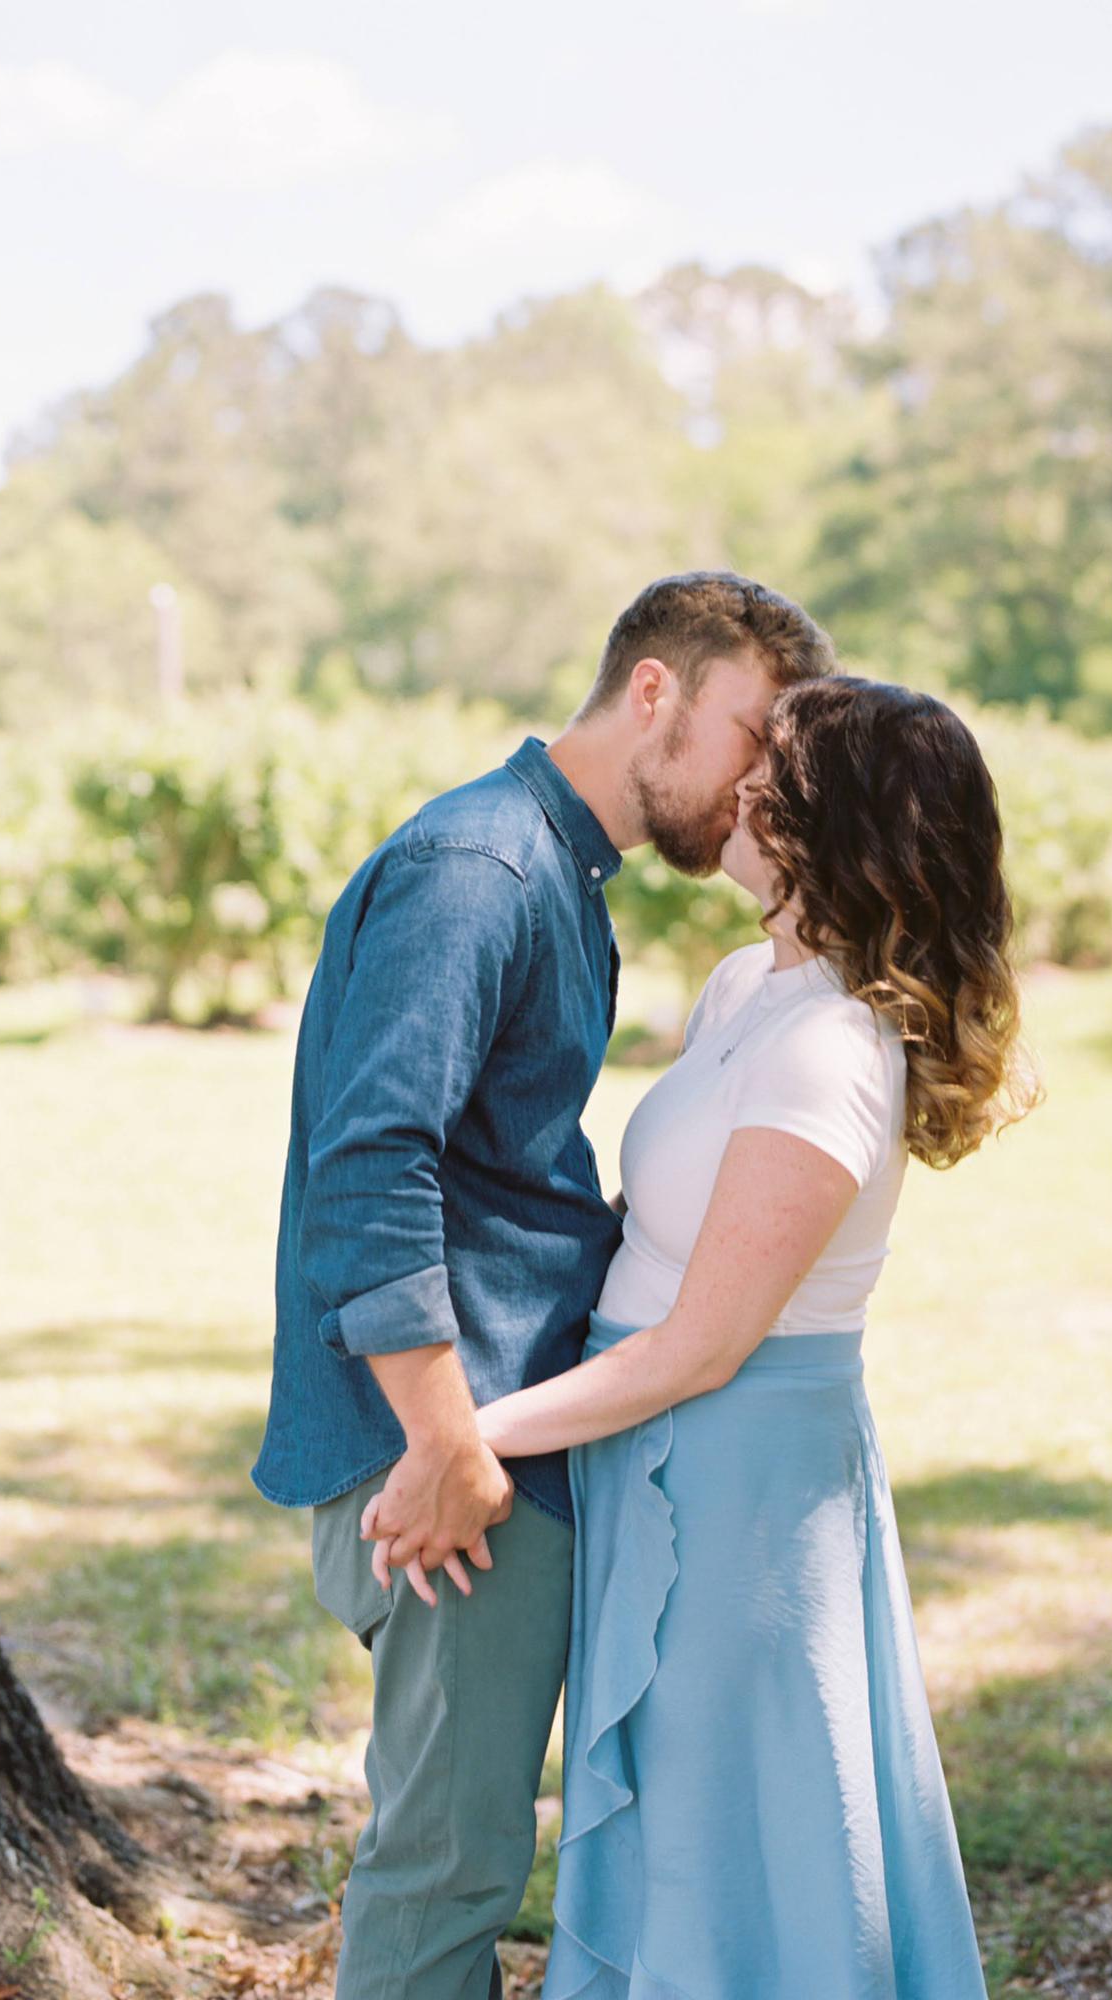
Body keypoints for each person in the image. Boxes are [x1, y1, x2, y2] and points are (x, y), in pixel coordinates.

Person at [378, 675, 1042, 1997]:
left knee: (734, 1827)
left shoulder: (835, 1049)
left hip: (741, 1481)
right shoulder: (746, 987)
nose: (738, 787)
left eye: (771, 771)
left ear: (830, 824)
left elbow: (701, 1346)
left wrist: (461, 1439)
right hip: (648, 1449)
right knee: (671, 1820)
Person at [249, 571, 836, 2000]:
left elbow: (502, 1172)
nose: (761, 780)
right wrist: (447, 1440)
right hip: (452, 1456)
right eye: (751, 731)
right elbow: (370, 1163)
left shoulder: (558, 878)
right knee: (447, 1866)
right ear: (655, 690)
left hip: (506, 1431)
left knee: (469, 1855)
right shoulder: (483, 870)